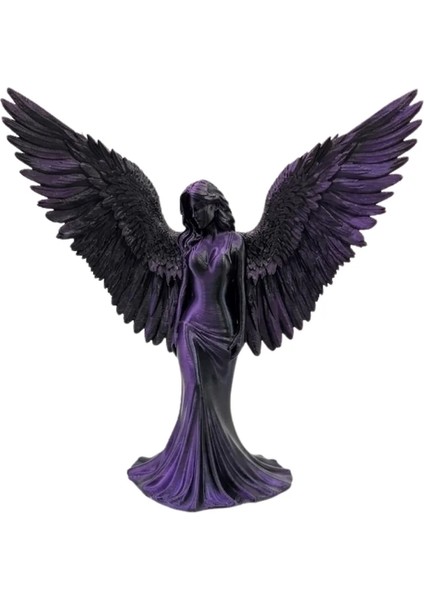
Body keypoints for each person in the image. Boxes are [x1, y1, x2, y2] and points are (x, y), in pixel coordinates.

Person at [127, 181, 293, 511]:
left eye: (198, 209)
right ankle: (189, 474)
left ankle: (222, 471)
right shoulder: (190, 245)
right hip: (190, 330)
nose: (194, 217)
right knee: (195, 394)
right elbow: (184, 291)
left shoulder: (235, 243)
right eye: (189, 212)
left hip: (222, 331)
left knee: (216, 403)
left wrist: (241, 332)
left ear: (214, 206)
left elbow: (240, 294)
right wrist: (175, 328)